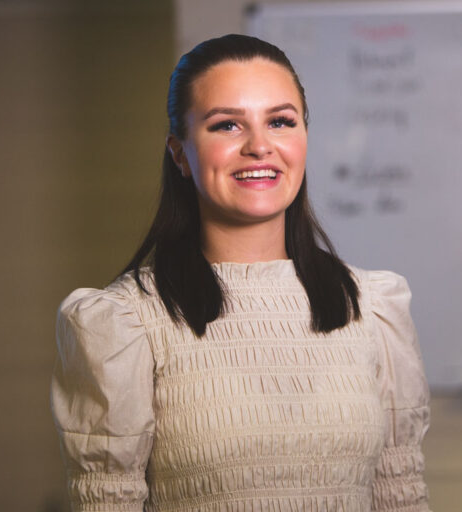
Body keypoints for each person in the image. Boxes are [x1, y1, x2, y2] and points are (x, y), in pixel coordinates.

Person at [51, 34, 432, 511]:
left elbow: (401, 496)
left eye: (280, 121)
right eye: (227, 125)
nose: (259, 146)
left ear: (304, 139)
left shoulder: (372, 307)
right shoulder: (123, 323)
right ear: (179, 154)